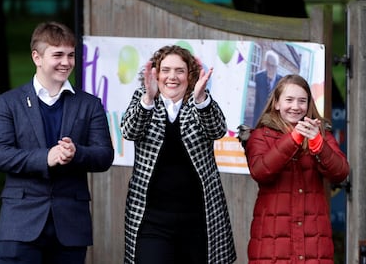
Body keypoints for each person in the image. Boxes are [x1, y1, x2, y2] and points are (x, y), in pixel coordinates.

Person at [0, 21, 114, 264]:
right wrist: (45, 157)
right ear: (37, 57)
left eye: (70, 55)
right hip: (20, 224)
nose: (66, 62)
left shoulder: (90, 104)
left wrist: (76, 153)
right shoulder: (8, 102)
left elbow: (104, 155)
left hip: (71, 225)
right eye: (58, 55)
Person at [121, 45, 236, 264]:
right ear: (156, 73)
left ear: (189, 75)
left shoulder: (199, 101)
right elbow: (129, 131)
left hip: (198, 219)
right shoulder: (143, 99)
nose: (172, 77)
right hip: (152, 219)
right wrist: (148, 100)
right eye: (165, 70)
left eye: (179, 71)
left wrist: (202, 100)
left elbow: (217, 130)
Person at [239, 74, 349, 263]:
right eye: (289, 100)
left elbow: (340, 173)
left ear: (309, 104)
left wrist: (319, 145)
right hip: (271, 243)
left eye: (302, 101)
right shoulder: (260, 135)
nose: (295, 106)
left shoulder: (321, 133)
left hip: (314, 240)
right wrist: (293, 139)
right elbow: (260, 171)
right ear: (277, 104)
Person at [252, 50, 282, 127]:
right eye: (269, 65)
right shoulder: (259, 77)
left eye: (273, 66)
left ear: (277, 66)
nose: (271, 68)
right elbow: (258, 101)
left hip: (274, 120)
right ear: (265, 63)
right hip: (259, 117)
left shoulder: (282, 81)